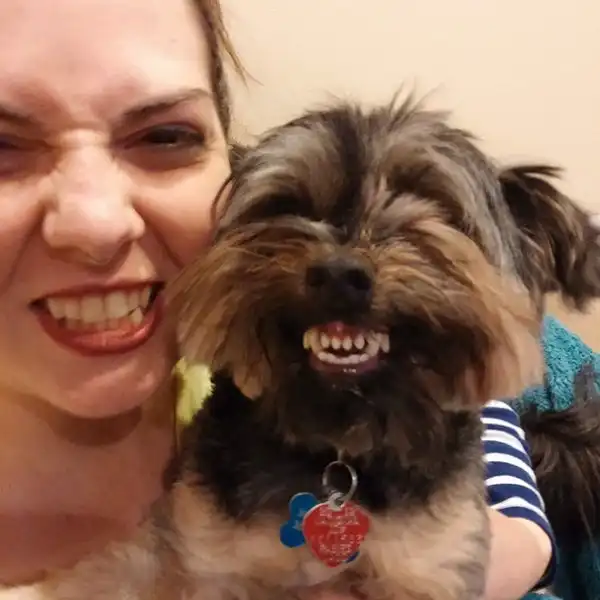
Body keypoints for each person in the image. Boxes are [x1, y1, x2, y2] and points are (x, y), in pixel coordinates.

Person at [0, 0, 556, 598]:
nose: (96, 223)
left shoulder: (218, 344)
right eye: (3, 147)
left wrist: (524, 536)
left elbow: (475, 392)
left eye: (165, 135)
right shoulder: (242, 366)